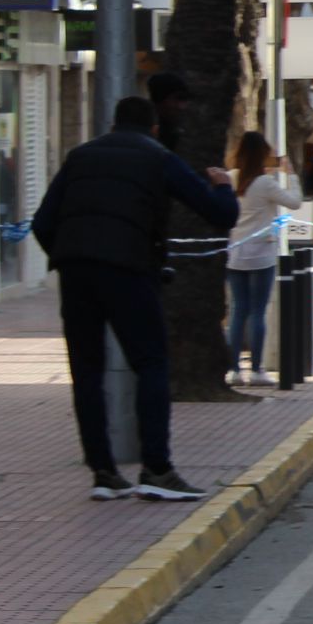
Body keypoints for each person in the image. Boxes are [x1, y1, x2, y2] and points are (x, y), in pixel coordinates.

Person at [30, 94, 238, 501]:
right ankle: (156, 469)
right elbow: (220, 214)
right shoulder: (158, 157)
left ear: (113, 123)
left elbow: (42, 222)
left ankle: (104, 472)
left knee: (86, 371)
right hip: (128, 270)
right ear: (154, 128)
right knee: (151, 363)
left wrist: (70, 256)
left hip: (76, 271)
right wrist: (224, 187)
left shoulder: (80, 156)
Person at [223, 131, 301, 386]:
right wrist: (290, 174)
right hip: (262, 254)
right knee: (258, 311)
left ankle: (234, 369)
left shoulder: (231, 178)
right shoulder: (265, 183)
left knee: (238, 311)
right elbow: (294, 202)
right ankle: (257, 369)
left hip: (235, 252)